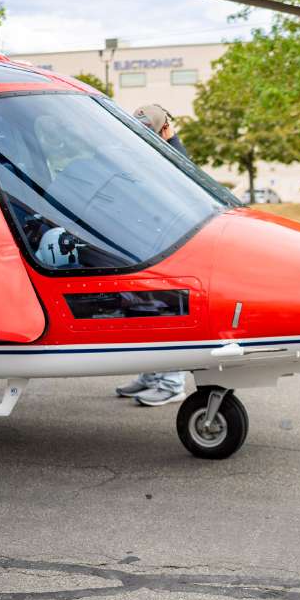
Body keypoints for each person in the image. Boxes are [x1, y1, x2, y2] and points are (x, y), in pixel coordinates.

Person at [114, 104, 190, 407]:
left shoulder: (177, 158)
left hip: (170, 247)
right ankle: (150, 376)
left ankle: (172, 383)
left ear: (165, 129)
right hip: (145, 244)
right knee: (144, 311)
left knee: (168, 312)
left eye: (149, 131)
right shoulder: (148, 153)